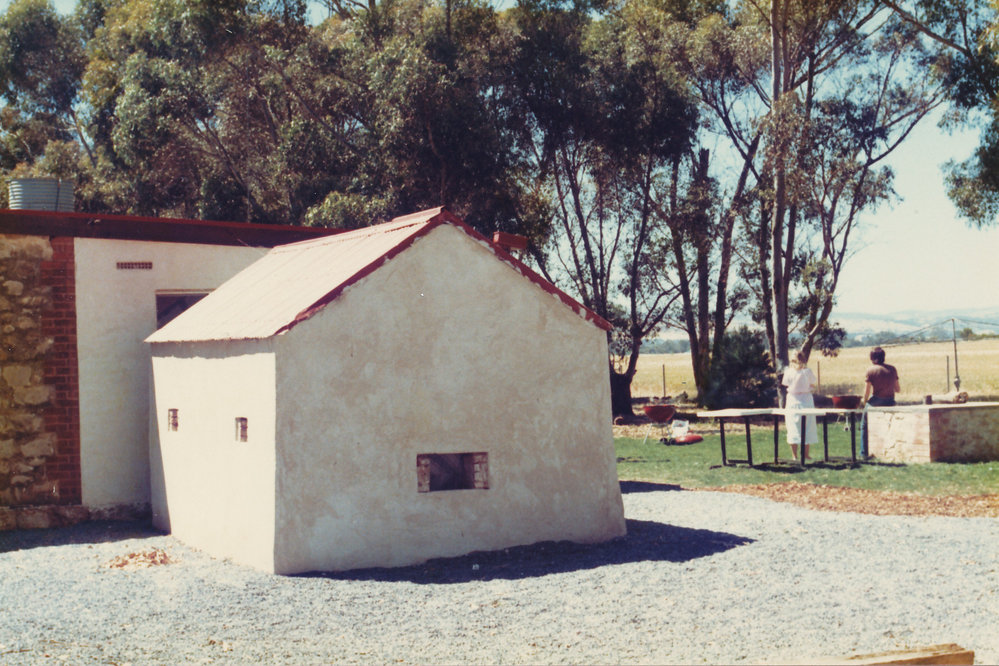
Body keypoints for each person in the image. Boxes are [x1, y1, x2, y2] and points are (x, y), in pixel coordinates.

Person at [861, 346, 900, 457]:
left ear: (873, 359)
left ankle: (863, 453)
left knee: (864, 424)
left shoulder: (871, 370)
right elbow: (898, 389)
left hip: (877, 400)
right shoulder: (892, 369)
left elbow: (867, 392)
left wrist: (864, 403)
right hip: (891, 400)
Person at [782, 349, 817, 461]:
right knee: (803, 427)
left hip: (798, 400)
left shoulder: (804, 371)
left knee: (795, 427)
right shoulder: (804, 371)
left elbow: (786, 384)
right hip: (799, 400)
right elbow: (812, 385)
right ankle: (801, 455)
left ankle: (797, 455)